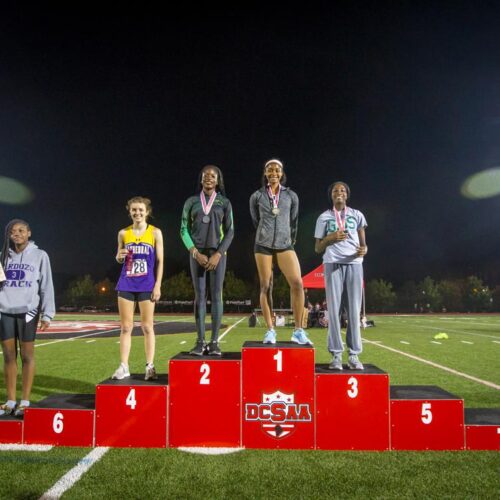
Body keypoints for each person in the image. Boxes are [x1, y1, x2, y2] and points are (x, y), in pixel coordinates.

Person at [249, 158, 312, 345]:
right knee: (266, 286)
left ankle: (298, 331)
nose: (273, 173)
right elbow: (255, 220)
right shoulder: (257, 196)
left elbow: (294, 221)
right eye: (269, 170)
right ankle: (270, 330)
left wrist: (288, 238)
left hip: (285, 244)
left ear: (282, 174)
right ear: (265, 174)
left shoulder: (291, 196)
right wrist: (266, 234)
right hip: (263, 244)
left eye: (277, 170)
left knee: (297, 284)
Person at [0, 219, 55, 416]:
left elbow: (46, 285)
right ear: (9, 235)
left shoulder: (40, 255)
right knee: (8, 356)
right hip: (5, 311)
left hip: (28, 312)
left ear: (29, 233)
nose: (17, 233)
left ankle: (24, 401)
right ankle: (10, 400)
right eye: (13, 231)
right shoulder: (2, 257)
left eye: (21, 230)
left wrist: (48, 313)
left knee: (27, 356)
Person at [180, 165, 234, 356]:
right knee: (200, 295)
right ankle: (200, 341)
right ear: (201, 180)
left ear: (218, 180)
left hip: (218, 254)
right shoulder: (191, 202)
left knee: (217, 294)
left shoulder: (224, 202)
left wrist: (219, 254)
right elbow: (183, 230)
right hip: (197, 255)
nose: (209, 178)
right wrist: (195, 252)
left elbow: (230, 231)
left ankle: (214, 343)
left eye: (213, 176)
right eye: (205, 176)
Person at [314, 181, 367, 370]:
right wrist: (330, 238)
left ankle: (354, 355)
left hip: (354, 263)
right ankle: (336, 355)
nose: (339, 192)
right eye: (336, 190)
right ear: (331, 195)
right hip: (332, 263)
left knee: (354, 311)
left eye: (343, 190)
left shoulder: (357, 215)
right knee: (334, 311)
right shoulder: (324, 217)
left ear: (347, 194)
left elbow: (363, 242)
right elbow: (317, 247)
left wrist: (365, 249)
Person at [113, 197, 164, 380]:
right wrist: (119, 256)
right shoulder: (123, 233)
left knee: (147, 327)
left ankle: (149, 366)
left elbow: (160, 261)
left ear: (147, 211)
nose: (137, 213)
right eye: (134, 210)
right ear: (130, 212)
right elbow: (119, 257)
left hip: (147, 284)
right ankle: (123, 366)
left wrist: (157, 284)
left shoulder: (155, 233)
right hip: (126, 283)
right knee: (126, 327)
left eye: (141, 210)